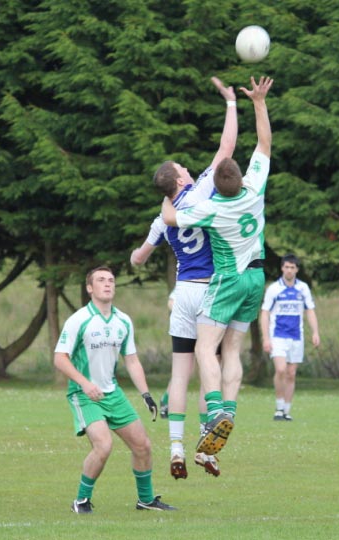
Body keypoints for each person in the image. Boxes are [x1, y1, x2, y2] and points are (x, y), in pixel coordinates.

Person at [130, 76, 237, 479]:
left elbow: (139, 258)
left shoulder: (163, 217)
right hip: (211, 291)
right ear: (179, 180)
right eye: (182, 168)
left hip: (182, 295)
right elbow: (226, 151)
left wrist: (136, 254)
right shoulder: (200, 193)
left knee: (180, 373)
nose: (189, 168)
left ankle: (174, 447)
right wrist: (230, 104)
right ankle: (208, 436)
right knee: (215, 361)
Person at [162, 75, 274, 457]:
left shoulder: (209, 208)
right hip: (258, 277)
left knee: (205, 348)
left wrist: (168, 193)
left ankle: (214, 414)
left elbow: (174, 219)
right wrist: (258, 102)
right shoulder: (255, 187)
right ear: (241, 177)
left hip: (227, 280)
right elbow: (263, 143)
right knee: (234, 350)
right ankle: (230, 411)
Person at [54, 266, 176, 513]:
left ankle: (146, 500)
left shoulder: (123, 321)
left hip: (113, 393)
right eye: (100, 280)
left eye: (111, 280)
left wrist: (146, 395)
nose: (108, 284)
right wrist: (85, 384)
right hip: (84, 395)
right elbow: (59, 358)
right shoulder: (79, 319)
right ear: (90, 288)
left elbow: (131, 360)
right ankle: (81, 500)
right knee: (103, 445)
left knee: (143, 446)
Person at [260, 254, 320, 420]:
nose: (289, 270)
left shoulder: (303, 288)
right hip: (278, 335)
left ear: (297, 270)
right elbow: (265, 313)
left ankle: (287, 410)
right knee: (280, 369)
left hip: (296, 336)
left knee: (291, 373)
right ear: (282, 268)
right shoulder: (274, 289)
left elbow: (310, 311)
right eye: (286, 267)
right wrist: (266, 338)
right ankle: (278, 408)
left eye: (292, 267)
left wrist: (315, 332)